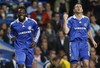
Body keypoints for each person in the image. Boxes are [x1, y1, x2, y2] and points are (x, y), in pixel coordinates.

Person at [63, 3, 97, 68]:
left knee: (86, 64)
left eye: (80, 7)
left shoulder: (86, 19)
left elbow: (89, 31)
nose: (78, 8)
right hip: (74, 43)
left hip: (84, 43)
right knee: (73, 65)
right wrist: (65, 20)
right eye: (76, 7)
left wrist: (93, 41)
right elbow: (66, 31)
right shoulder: (70, 19)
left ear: (82, 9)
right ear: (73, 10)